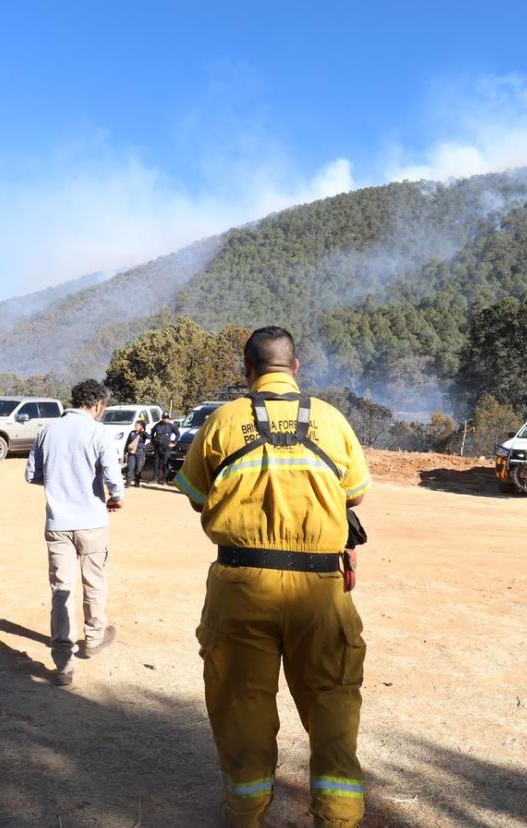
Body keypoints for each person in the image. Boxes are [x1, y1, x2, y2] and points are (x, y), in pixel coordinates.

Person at [173, 326, 371, 828]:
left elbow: (196, 494)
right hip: (321, 593)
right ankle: (338, 819)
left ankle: (245, 816)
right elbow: (356, 494)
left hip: (240, 588)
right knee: (333, 710)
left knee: (242, 710)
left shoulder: (223, 420)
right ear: (296, 369)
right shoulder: (331, 420)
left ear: (247, 371)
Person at [25, 379, 124, 686]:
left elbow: (32, 474)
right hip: (92, 521)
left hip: (58, 523)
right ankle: (94, 638)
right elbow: (112, 476)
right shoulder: (98, 432)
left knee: (61, 589)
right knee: (94, 581)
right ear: (97, 405)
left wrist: (59, 483)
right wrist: (116, 497)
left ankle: (63, 663)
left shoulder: (47, 430)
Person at [150, 413, 179, 485]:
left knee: (165, 464)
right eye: (164, 417)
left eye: (167, 417)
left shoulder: (171, 426)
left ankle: (165, 480)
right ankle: (155, 479)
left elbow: (177, 434)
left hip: (167, 448)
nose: (166, 419)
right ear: (162, 418)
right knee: (156, 464)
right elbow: (152, 433)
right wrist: (153, 442)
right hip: (158, 447)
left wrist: (174, 443)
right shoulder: (157, 425)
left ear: (169, 418)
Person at [123, 420, 149, 487]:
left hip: (140, 452)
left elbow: (149, 437)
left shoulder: (143, 434)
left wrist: (143, 431)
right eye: (135, 425)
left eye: (137, 425)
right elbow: (127, 442)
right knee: (131, 467)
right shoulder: (132, 433)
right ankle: (128, 483)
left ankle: (137, 482)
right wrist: (125, 451)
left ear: (141, 426)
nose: (135, 426)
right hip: (131, 452)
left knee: (138, 468)